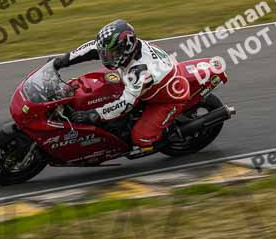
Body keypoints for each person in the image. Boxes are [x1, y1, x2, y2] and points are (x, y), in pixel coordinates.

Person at [52, 19, 188, 149]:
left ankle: (168, 135)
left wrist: (95, 114)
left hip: (166, 99)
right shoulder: (127, 48)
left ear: (126, 48)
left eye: (112, 53)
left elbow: (126, 103)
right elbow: (92, 48)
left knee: (141, 138)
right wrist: (62, 61)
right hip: (139, 82)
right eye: (105, 53)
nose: (106, 57)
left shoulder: (140, 70)